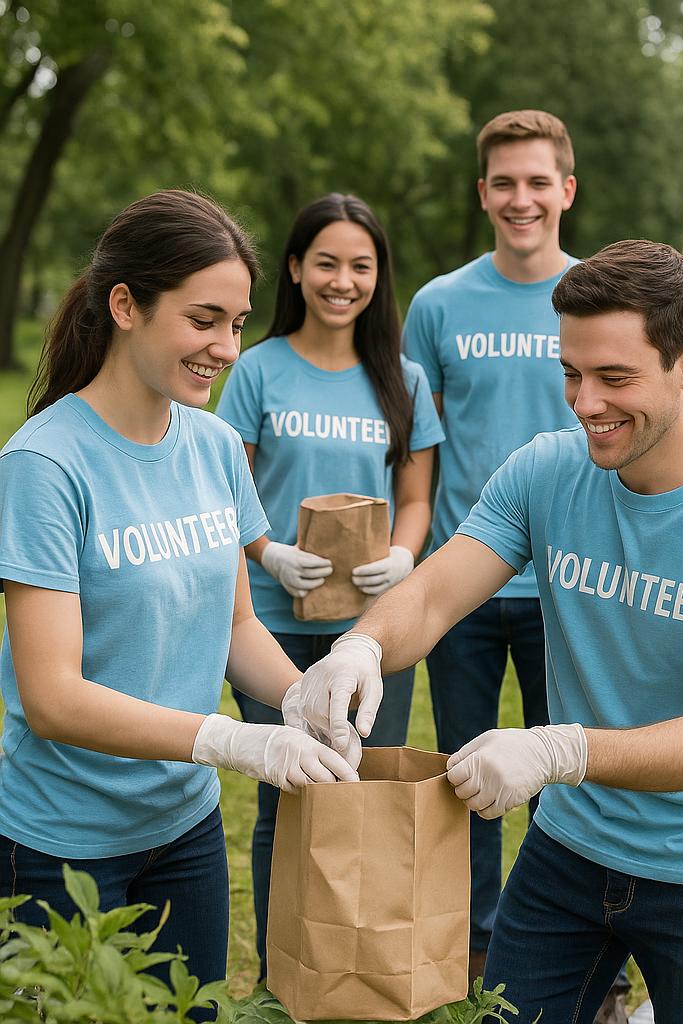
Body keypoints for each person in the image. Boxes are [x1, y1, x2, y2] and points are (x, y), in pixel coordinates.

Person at [294, 240, 683, 1022]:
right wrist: (362, 646)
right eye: (572, 374)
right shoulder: (548, 470)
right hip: (571, 849)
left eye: (615, 377)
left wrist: (556, 749)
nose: (584, 403)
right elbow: (437, 593)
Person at [0, 190, 356, 1019]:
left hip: (186, 833)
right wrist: (226, 739)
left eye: (236, 323)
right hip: (64, 847)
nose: (226, 347)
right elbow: (51, 699)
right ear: (125, 305)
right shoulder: (45, 467)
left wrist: (301, 693)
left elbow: (235, 625)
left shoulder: (215, 446)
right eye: (205, 320)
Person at [215, 193, 444, 978]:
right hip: (270, 621)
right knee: (288, 789)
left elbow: (417, 497)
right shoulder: (256, 368)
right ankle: (286, 967)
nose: (342, 281)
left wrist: (408, 558)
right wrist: (267, 549)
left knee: (367, 788)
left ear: (379, 277)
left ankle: (364, 966)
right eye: (326, 263)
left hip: (376, 629)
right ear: (294, 269)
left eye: (360, 266)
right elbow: (228, 486)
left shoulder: (403, 377)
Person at [401, 109, 582, 988]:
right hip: (463, 582)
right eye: (504, 183)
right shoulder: (438, 305)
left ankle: (577, 950)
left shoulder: (596, 297)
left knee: (564, 773)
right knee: (467, 772)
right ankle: (476, 948)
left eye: (538, 181)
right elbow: (418, 450)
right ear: (483, 194)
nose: (522, 198)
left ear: (567, 191)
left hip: (575, 586)